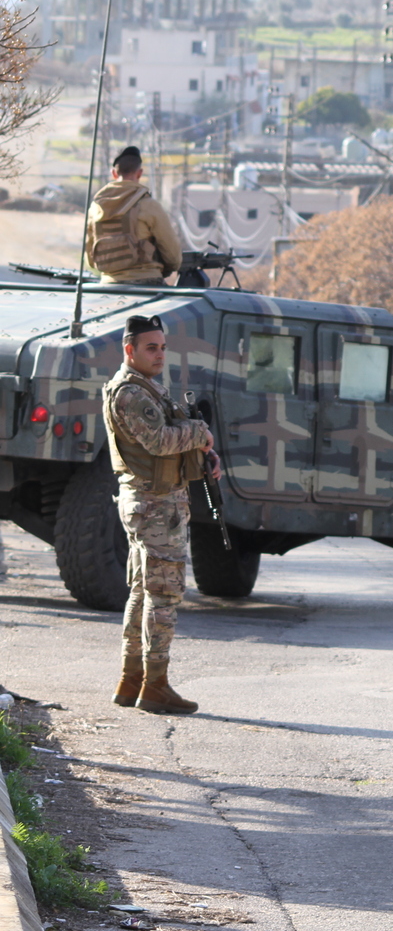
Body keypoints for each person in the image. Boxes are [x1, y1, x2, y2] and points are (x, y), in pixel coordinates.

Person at [105, 314, 220, 714]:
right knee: (165, 594)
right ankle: (155, 686)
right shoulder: (130, 394)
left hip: (155, 502)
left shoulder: (148, 388)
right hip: (155, 506)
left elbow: (173, 433)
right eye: (150, 347)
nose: (159, 354)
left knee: (143, 591)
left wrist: (204, 453)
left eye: (162, 347)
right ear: (129, 350)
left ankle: (132, 680)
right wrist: (200, 434)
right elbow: (157, 441)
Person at [86, 146, 183, 286]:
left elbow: (90, 257)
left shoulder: (95, 208)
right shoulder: (149, 205)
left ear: (114, 173)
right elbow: (172, 254)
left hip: (108, 285)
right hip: (146, 283)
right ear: (139, 173)